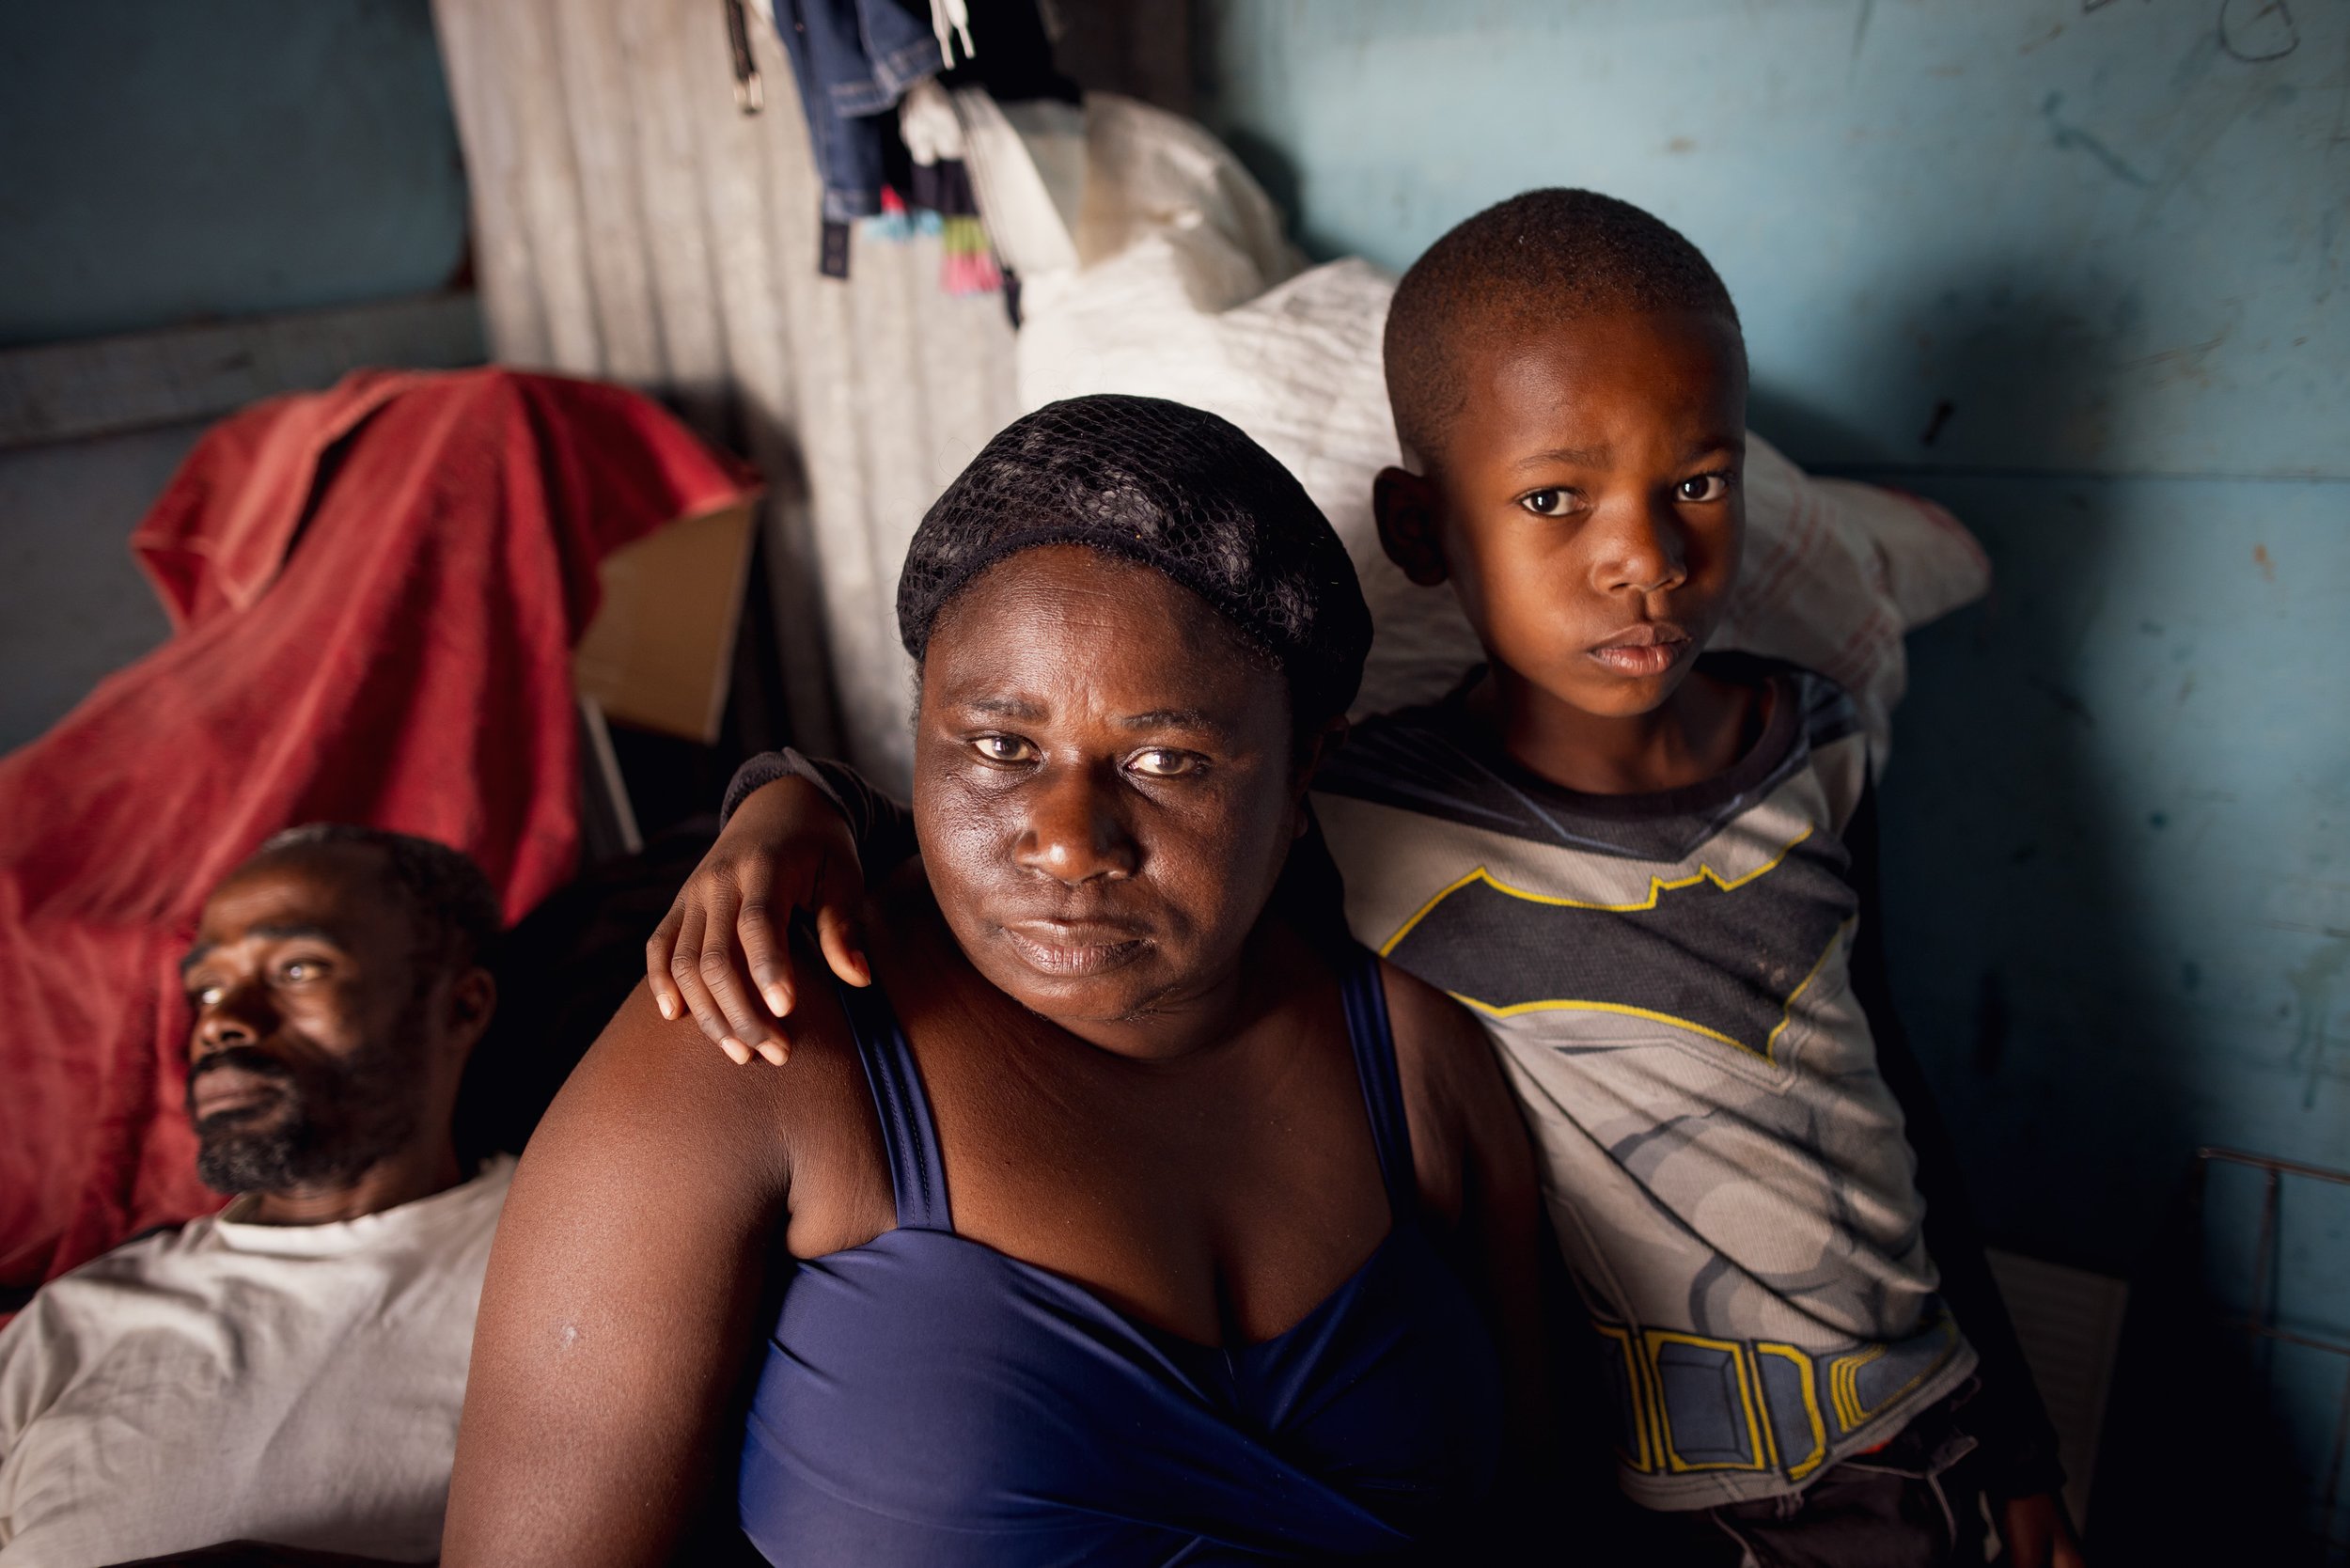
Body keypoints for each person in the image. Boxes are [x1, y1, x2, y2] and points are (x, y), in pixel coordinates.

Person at [658, 194, 2085, 1567]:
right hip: (1688, 1506)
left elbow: (1887, 1076)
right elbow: (1056, 833)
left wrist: (2018, 1447)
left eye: (1696, 483)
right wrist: (791, 798)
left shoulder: (1815, 737)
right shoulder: (1364, 807)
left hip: (1934, 1428)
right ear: (1419, 533)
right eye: (1553, 499)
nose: (1643, 558)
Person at [443, 396, 1551, 1567]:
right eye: (999, 748)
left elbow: (1554, 1520)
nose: (1069, 842)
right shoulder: (754, 1045)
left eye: (1165, 761)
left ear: (1303, 764)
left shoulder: (1414, 1061)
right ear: (916, 729)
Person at [0, 825, 511, 1566]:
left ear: (461, 1007)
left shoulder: (559, 1249)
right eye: (206, 987)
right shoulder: (74, 1322)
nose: (222, 1022)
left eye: (298, 969)